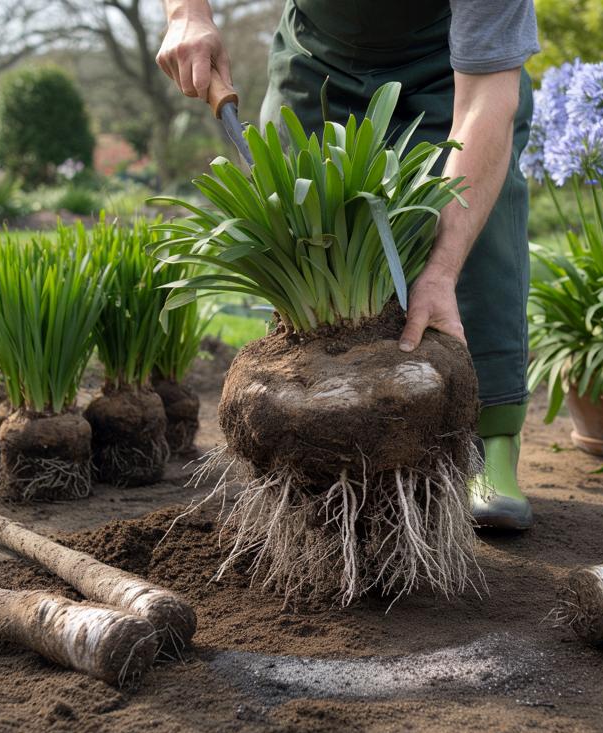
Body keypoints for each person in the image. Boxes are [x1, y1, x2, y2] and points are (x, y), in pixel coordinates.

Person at [157, 0, 539, 530]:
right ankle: (321, 457)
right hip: (317, 60)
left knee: (477, 229)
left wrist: (444, 268)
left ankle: (491, 440)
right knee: (311, 231)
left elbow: (484, 102)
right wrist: (187, 15)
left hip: (447, 67)